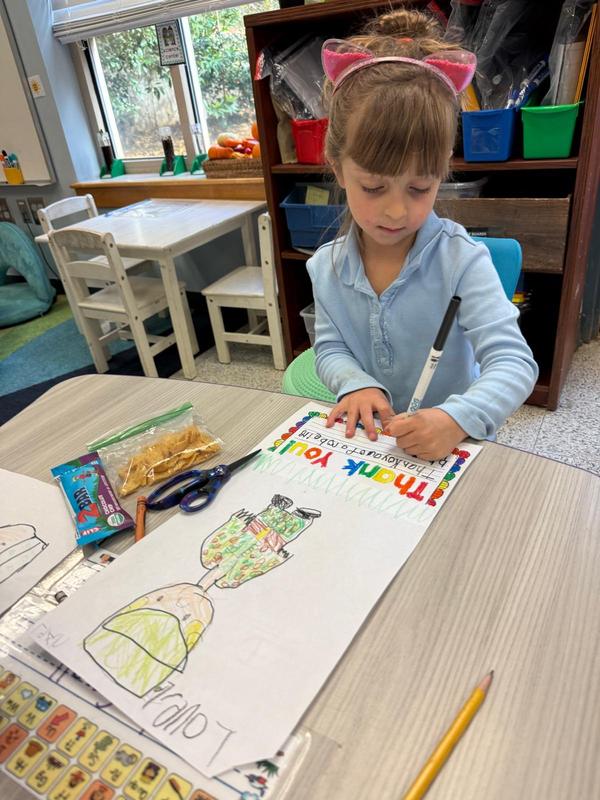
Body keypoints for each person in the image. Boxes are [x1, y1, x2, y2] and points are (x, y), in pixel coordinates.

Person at [307, 9, 538, 460]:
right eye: (374, 187)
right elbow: (330, 346)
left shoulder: (462, 261)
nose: (396, 210)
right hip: (373, 445)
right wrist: (355, 384)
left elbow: (514, 363)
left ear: (441, 175)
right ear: (338, 169)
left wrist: (459, 417)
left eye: (420, 187)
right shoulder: (326, 266)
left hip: (452, 445)